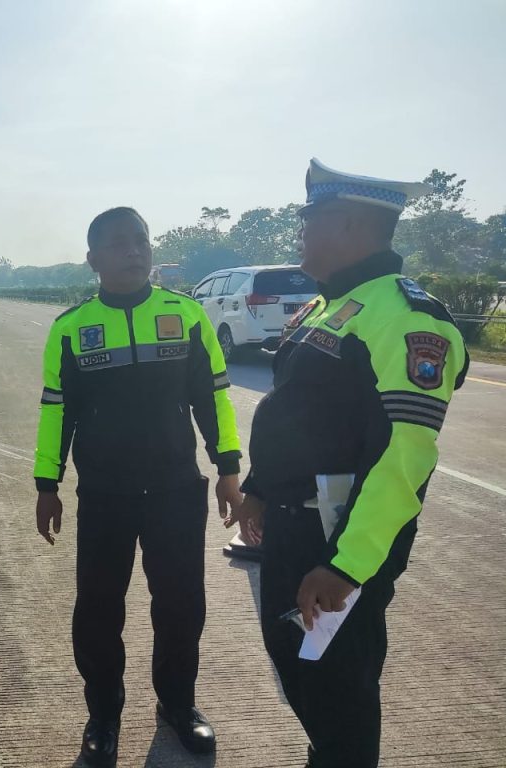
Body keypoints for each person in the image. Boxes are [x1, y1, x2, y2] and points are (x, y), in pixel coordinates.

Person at [228, 159, 469, 768]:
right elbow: (293, 415)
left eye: (311, 221)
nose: (300, 234)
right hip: (290, 524)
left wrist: (346, 565)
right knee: (297, 664)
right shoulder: (328, 306)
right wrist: (258, 486)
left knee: (340, 687)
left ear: (353, 224)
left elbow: (404, 457)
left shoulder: (408, 317)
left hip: (340, 534)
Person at [33, 207, 243, 766]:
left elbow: (214, 396)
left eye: (141, 241)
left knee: (180, 605)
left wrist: (228, 467)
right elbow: (57, 411)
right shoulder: (70, 329)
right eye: (119, 243)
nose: (134, 251)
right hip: (104, 494)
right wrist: (46, 483)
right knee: (98, 609)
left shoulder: (187, 315)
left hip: (176, 489)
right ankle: (103, 713)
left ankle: (178, 705)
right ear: (93, 258)